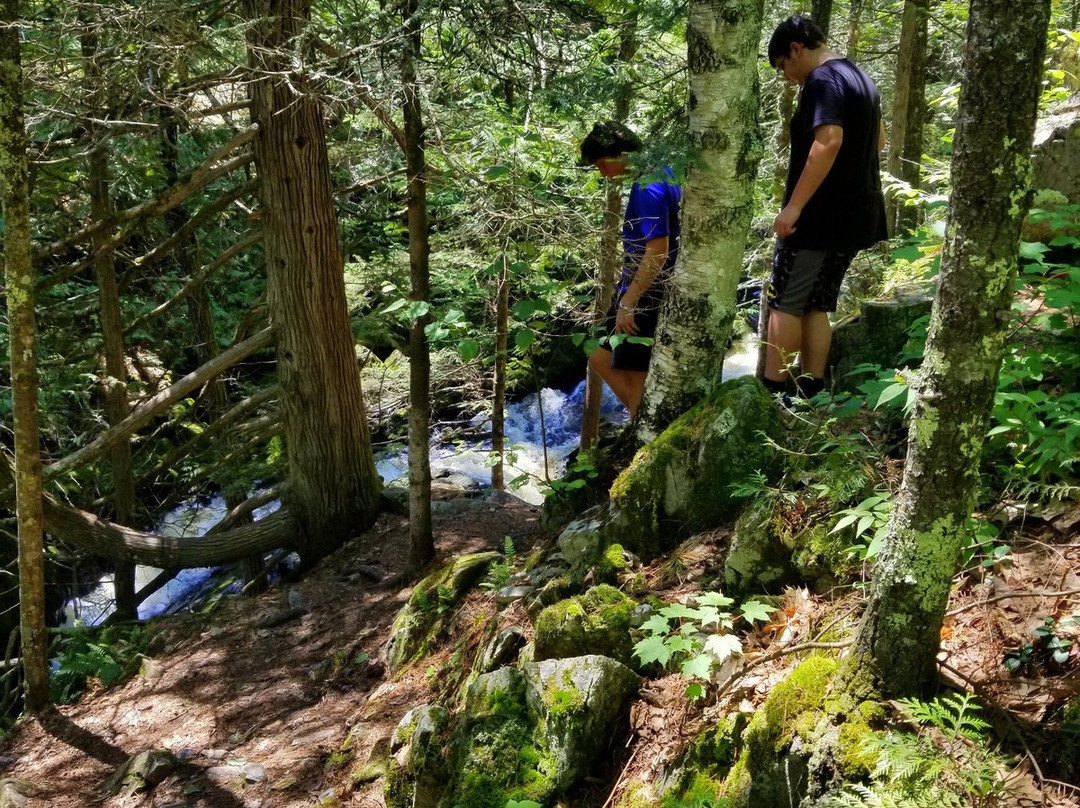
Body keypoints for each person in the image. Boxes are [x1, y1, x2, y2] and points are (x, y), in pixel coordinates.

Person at [764, 15, 887, 401]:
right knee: (817, 303)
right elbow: (879, 142)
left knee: (784, 301)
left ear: (795, 49)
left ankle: (771, 395)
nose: (787, 77)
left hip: (819, 218)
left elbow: (829, 140)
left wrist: (794, 207)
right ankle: (811, 392)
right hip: (856, 216)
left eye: (783, 66)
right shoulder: (860, 78)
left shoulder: (822, 79)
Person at [579, 121, 681, 419]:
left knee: (636, 377)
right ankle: (645, 421)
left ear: (620, 154)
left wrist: (629, 302)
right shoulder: (661, 172)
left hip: (646, 293)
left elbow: (658, 252)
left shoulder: (648, 188)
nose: (603, 173)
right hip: (637, 287)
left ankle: (644, 427)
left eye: (602, 164)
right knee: (598, 352)